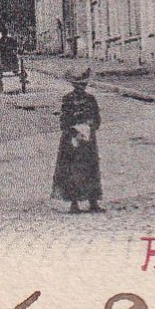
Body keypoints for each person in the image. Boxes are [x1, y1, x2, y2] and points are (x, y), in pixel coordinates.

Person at [52, 69, 103, 213]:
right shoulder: (67, 99)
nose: (81, 88)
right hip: (72, 140)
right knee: (72, 170)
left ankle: (93, 201)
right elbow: (64, 121)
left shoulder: (91, 99)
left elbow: (97, 119)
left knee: (91, 168)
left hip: (88, 139)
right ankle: (74, 203)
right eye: (78, 85)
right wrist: (74, 131)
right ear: (74, 85)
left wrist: (90, 126)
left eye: (83, 85)